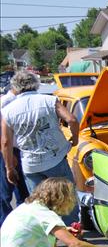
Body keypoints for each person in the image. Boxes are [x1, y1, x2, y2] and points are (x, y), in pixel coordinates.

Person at [1, 70, 79, 224]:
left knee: (39, 205)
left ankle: (46, 232)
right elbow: (72, 120)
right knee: (66, 197)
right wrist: (74, 139)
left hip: (31, 164)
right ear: (36, 84)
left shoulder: (7, 111)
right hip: (55, 158)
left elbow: (5, 142)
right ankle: (72, 229)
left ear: (15, 86)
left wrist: (9, 168)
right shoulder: (49, 100)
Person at [0, 90, 29, 226]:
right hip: (8, 151)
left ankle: (21, 224)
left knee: (22, 192)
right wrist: (9, 155)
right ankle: (5, 225)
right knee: (5, 193)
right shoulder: (6, 102)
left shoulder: (17, 100)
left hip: (19, 149)